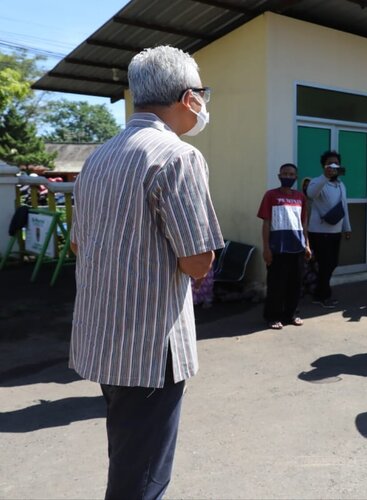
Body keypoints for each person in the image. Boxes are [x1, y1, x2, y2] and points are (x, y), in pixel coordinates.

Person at [69, 46, 224, 499]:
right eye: (202, 93)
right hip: (149, 350)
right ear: (186, 97)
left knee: (126, 456)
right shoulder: (177, 157)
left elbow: (78, 243)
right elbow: (198, 262)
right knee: (142, 480)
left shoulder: (97, 159)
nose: (203, 103)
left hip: (102, 338)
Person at [257, 163, 312, 330]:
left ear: (296, 177)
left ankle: (291, 314)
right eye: (285, 174)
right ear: (279, 176)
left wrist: (307, 245)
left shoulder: (300, 197)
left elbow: (303, 223)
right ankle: (272, 316)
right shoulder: (271, 195)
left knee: (295, 285)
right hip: (277, 249)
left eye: (291, 174)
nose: (288, 177)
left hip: (297, 248)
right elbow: (266, 223)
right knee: (276, 285)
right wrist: (266, 248)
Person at [306, 151, 352, 308]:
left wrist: (347, 227)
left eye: (336, 164)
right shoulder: (317, 182)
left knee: (332, 263)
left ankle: (319, 291)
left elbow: (344, 207)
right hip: (319, 232)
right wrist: (325, 177)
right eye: (329, 164)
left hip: (335, 232)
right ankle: (323, 296)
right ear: (323, 166)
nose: (333, 166)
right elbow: (311, 194)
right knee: (325, 264)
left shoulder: (341, 185)